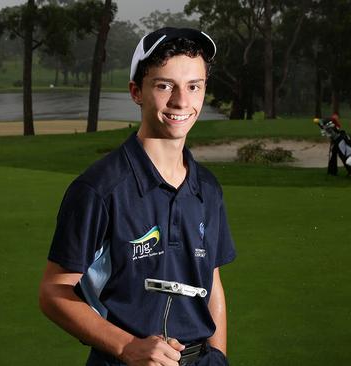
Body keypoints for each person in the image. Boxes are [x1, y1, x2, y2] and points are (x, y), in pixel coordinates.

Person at [38, 27, 236, 366]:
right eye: (164, 85)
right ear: (136, 91)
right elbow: (53, 292)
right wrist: (126, 345)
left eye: (194, 86)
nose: (181, 102)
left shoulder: (208, 188)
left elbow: (211, 284)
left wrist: (217, 356)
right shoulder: (99, 189)